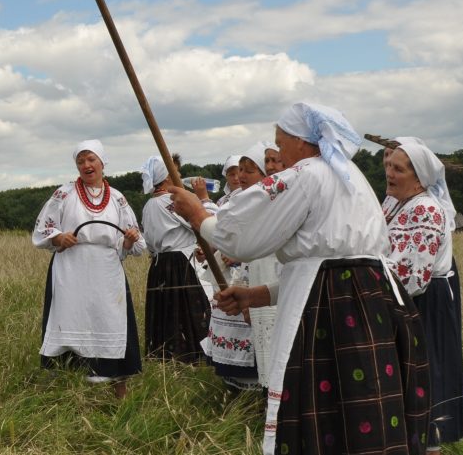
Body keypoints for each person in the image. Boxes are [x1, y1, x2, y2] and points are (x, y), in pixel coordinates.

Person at [169, 103, 430, 455]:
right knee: (380, 430)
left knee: (309, 433)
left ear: (301, 142)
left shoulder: (307, 174)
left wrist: (199, 214)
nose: (278, 156)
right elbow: (325, 260)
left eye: (280, 144)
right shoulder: (352, 177)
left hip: (330, 312)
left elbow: (243, 238)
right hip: (376, 301)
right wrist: (258, 294)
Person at [384, 141, 463, 455]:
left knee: (427, 377)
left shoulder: (426, 209)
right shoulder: (393, 202)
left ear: (419, 179)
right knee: (406, 378)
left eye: (399, 168)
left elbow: (412, 276)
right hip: (400, 298)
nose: (389, 172)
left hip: (425, 302)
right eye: (389, 164)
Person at [33, 139, 146, 399]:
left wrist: (127, 241)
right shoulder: (64, 194)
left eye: (91, 159)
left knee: (109, 322)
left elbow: (135, 242)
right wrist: (58, 238)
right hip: (71, 271)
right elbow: (43, 229)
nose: (86, 165)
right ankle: (66, 396)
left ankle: (119, 395)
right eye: (81, 161)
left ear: (102, 162)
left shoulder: (118, 198)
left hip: (107, 273)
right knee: (70, 321)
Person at [200, 143, 281, 391]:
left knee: (268, 350)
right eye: (238, 171)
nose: (241, 177)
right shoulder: (236, 202)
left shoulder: (276, 203)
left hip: (267, 283)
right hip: (244, 281)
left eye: (249, 170)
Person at [140, 154, 213, 363]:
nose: (179, 176)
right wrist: (202, 200)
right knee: (188, 309)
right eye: (176, 173)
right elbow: (198, 222)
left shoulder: (148, 206)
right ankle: (193, 354)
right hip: (181, 263)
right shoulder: (170, 202)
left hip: (158, 264)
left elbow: (150, 243)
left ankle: (165, 353)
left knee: (166, 311)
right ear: (166, 177)